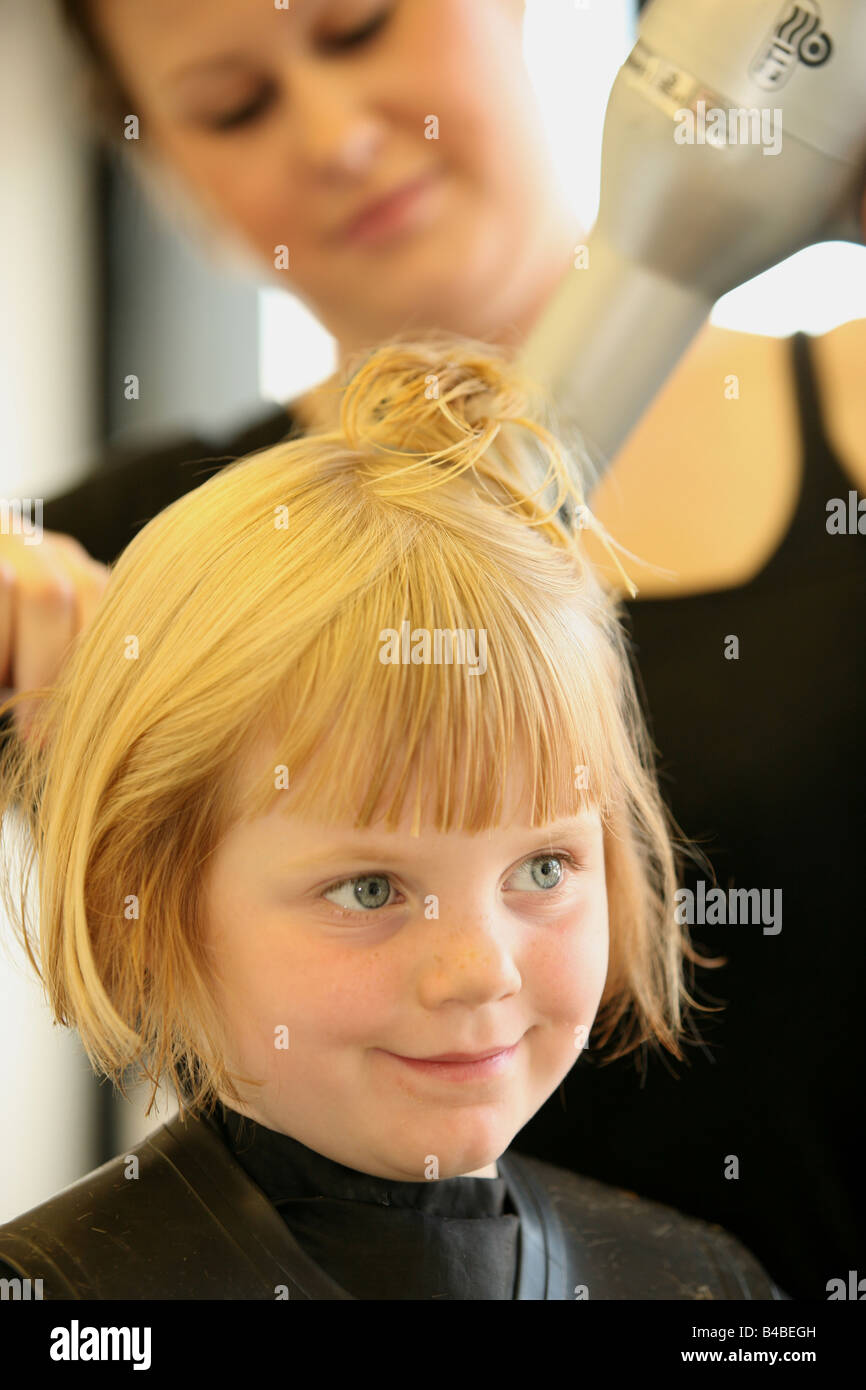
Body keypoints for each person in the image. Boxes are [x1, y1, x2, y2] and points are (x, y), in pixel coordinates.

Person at [1, 0, 863, 1297]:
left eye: (359, 30)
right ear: (159, 156)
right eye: (233, 106)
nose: (338, 138)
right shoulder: (137, 569)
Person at [0, 334, 786, 1299]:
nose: (481, 970)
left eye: (542, 870)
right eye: (370, 889)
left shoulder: (706, 1285)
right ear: (150, 898)